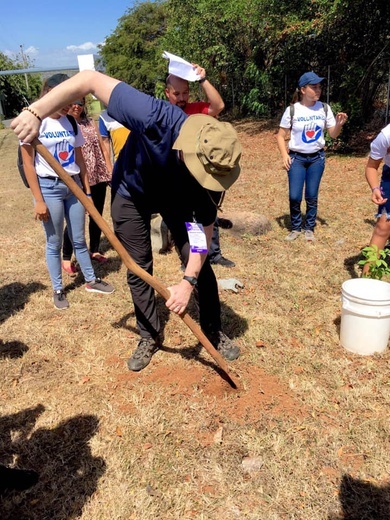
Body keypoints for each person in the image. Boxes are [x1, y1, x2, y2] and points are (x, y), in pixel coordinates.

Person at [11, 70, 242, 371]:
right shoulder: (155, 115)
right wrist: (35, 112)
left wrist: (188, 281)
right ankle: (149, 334)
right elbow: (90, 79)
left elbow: (203, 233)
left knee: (198, 262)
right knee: (137, 263)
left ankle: (213, 330)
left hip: (176, 199)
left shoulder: (212, 176)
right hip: (132, 192)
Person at [18, 73, 114, 310]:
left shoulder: (70, 122)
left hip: (74, 187)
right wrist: (38, 200)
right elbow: (28, 164)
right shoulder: (35, 123)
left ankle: (91, 280)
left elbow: (80, 159)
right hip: (49, 188)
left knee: (78, 238)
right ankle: (58, 289)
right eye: (64, 98)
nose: (69, 104)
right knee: (55, 242)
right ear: (49, 95)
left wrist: (87, 192)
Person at [165, 68, 235, 267]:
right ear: (167, 92)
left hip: (203, 173)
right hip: (178, 176)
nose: (181, 98)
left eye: (185, 92)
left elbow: (218, 105)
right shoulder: (162, 112)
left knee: (208, 213)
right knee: (190, 220)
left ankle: (214, 254)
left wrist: (203, 79)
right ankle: (194, 258)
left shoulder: (195, 109)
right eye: (177, 94)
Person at [276, 71, 348, 241]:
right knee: (294, 196)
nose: (318, 90)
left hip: (317, 158)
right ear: (303, 90)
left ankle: (309, 228)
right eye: (313, 87)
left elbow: (333, 134)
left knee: (311, 195)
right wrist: (284, 155)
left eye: (320, 87)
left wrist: (338, 124)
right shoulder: (292, 110)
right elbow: (280, 135)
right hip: (297, 159)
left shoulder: (324, 108)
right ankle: (295, 227)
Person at [62, 98, 113, 273]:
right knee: (75, 218)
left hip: (98, 175)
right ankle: (67, 257)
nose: (77, 105)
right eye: (73, 102)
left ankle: (95, 249)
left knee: (96, 214)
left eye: (81, 102)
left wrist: (108, 168)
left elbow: (103, 147)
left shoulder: (90, 122)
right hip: (78, 177)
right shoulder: (64, 124)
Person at [362, 123, 390, 275]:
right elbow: (372, 167)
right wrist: (375, 189)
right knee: (383, 226)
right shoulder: (386, 135)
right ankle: (366, 278)